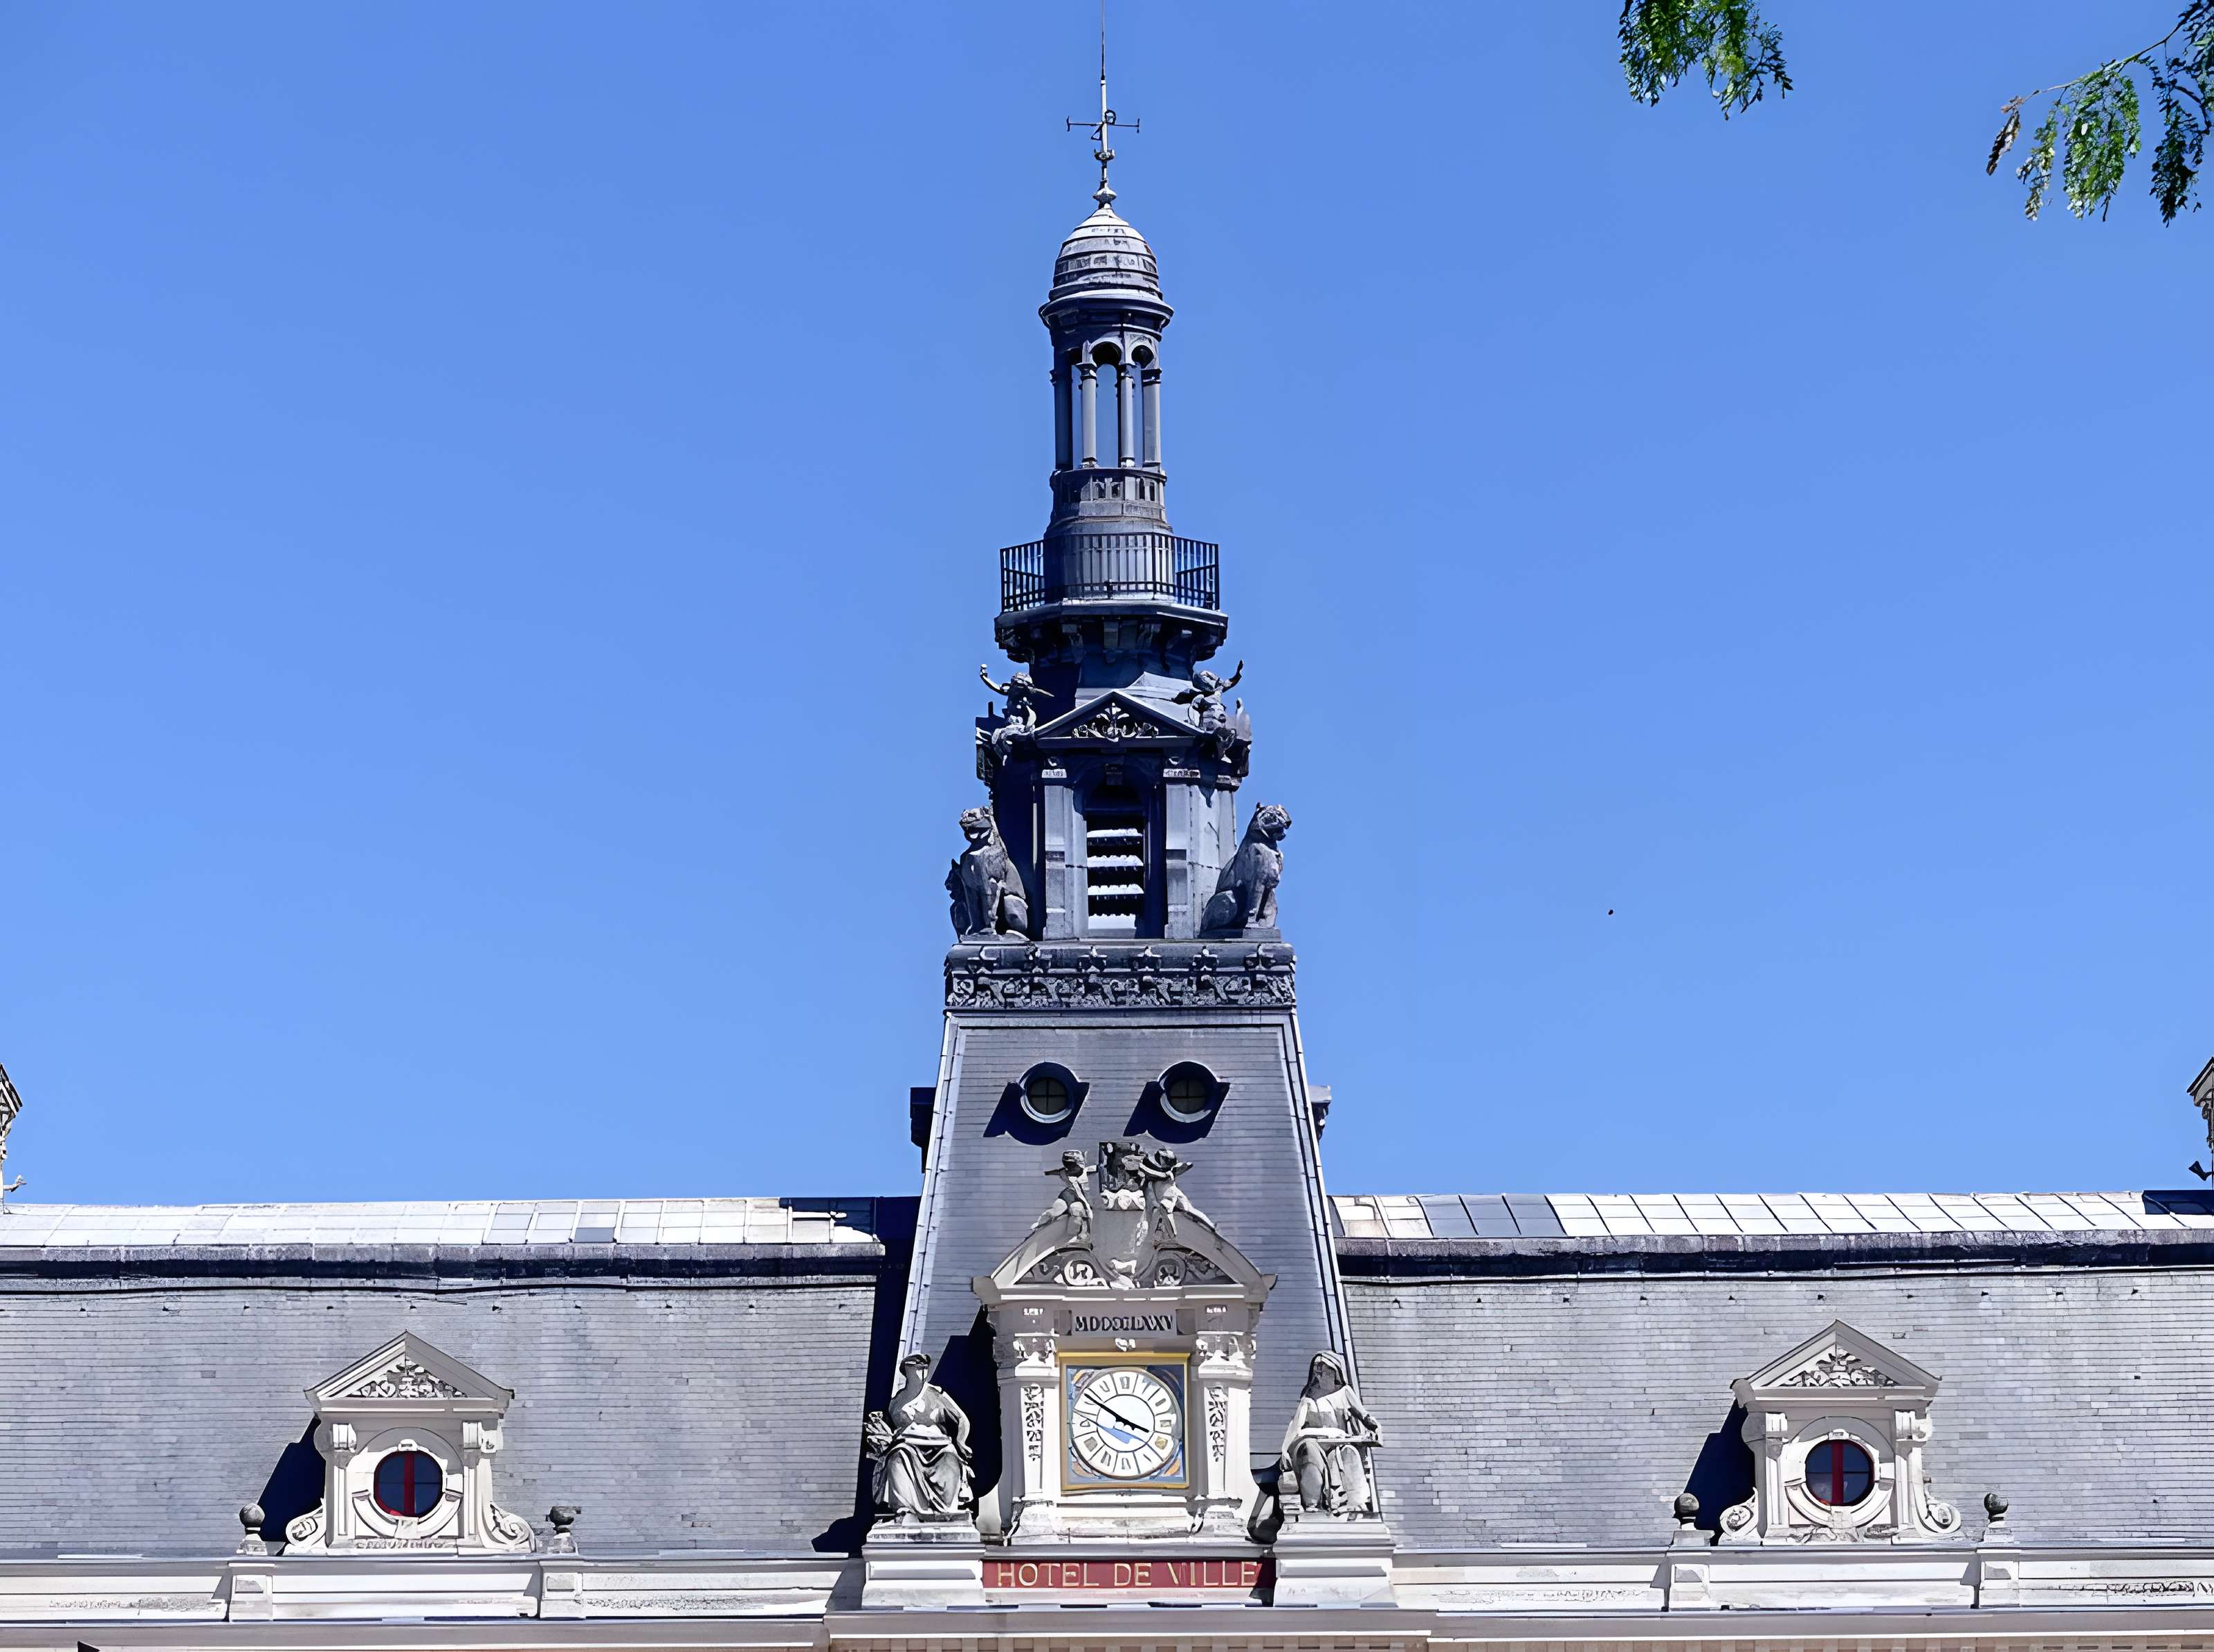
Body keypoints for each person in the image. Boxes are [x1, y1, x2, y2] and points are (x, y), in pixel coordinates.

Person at [864, 1353, 974, 1520]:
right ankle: (904, 1509)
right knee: (897, 1458)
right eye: (916, 1367)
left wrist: (961, 1441)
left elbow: (962, 1419)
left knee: (950, 1458)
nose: (921, 1370)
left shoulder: (936, 1394)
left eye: (924, 1367)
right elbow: (892, 1428)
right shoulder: (898, 1400)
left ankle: (945, 1509)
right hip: (907, 1446)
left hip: (939, 1446)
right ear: (906, 1371)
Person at [1278, 1351, 1382, 1517]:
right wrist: (1285, 1450)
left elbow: (1364, 1416)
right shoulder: (1309, 1397)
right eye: (1318, 1371)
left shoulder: (1345, 1393)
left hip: (1338, 1443)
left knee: (1349, 1453)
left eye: (1326, 1371)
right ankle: (1312, 1502)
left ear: (1335, 1372)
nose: (1321, 1375)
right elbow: (1296, 1427)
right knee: (1309, 1452)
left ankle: (1355, 1502)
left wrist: (1375, 1429)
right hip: (1312, 1441)